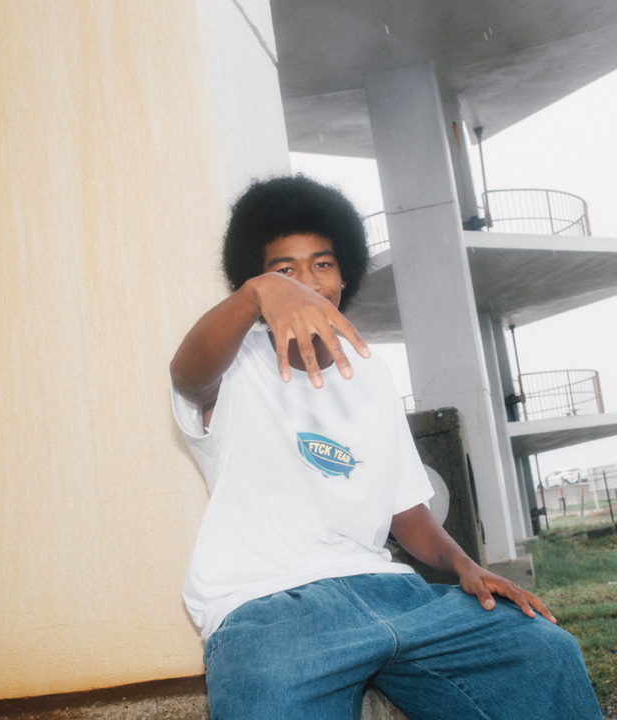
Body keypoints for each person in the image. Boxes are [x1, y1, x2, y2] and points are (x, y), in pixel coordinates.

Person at [170, 175, 601, 720]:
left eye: (322, 264)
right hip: (270, 605)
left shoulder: (371, 374)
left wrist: (466, 565)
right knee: (269, 695)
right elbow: (188, 376)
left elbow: (406, 511)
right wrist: (256, 294)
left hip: (393, 595)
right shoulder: (236, 362)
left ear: (344, 274)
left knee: (543, 652)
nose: (307, 281)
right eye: (284, 270)